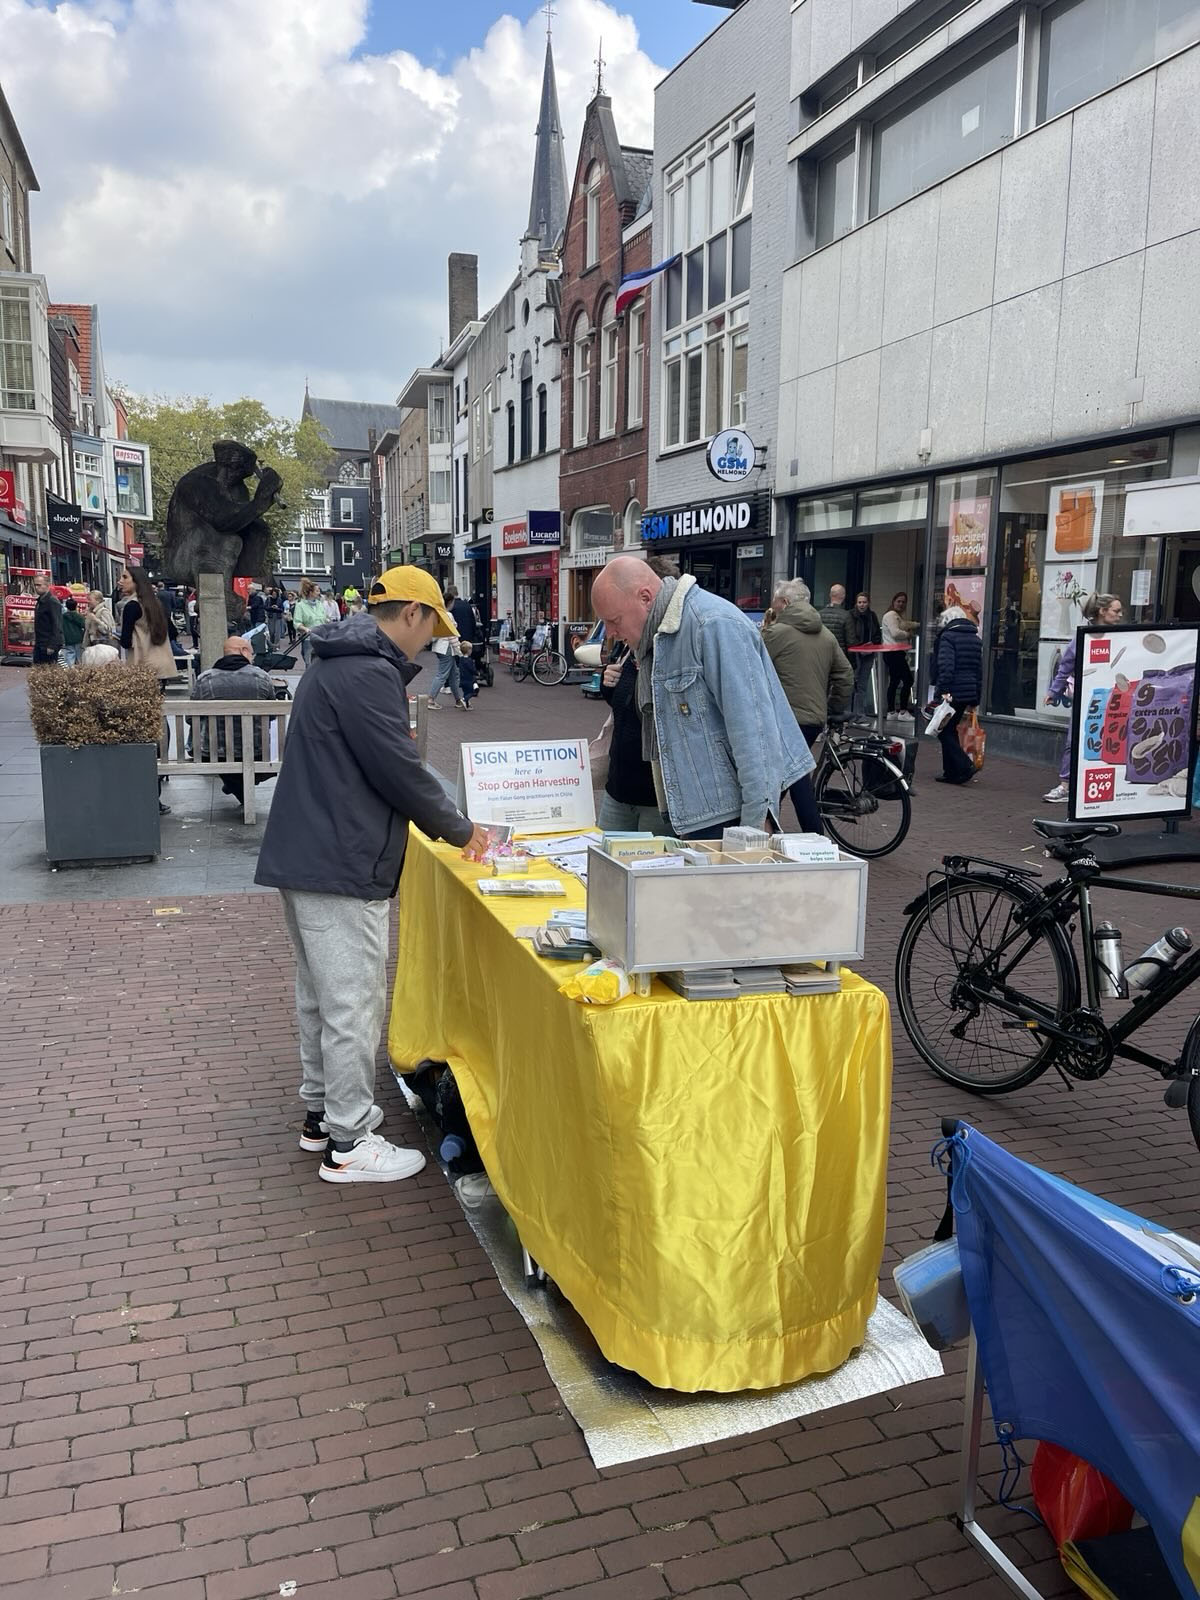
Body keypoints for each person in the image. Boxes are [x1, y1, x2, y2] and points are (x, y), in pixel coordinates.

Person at [254, 566, 489, 1185]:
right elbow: (399, 769)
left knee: (321, 996)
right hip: (342, 858)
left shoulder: (333, 661)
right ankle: (350, 1140)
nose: (430, 643)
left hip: (310, 852)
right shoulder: (368, 672)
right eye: (432, 629)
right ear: (412, 613)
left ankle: (322, 1114)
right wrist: (462, 830)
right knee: (352, 1003)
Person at [590, 555, 814, 839]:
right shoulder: (654, 638)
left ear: (645, 598)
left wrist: (755, 825)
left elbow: (755, 734)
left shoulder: (713, 624)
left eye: (614, 620)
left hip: (723, 816)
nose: (610, 633)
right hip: (691, 811)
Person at [762, 579, 853, 833]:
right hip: (813, 719)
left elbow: (749, 668)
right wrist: (832, 707)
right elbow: (845, 674)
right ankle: (766, 825)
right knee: (788, 776)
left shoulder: (775, 634)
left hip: (785, 719)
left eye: (775, 601)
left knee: (795, 779)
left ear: (785, 602)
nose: (773, 605)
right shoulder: (826, 635)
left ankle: (814, 837)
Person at [1043, 592, 1124, 803]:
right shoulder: (1082, 638)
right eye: (1116, 611)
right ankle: (1065, 785)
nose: (1120, 615)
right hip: (1088, 700)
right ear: (1102, 611)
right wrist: (1053, 692)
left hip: (1115, 699)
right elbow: (1065, 667)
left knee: (1110, 739)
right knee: (1076, 739)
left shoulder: (1122, 636)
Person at [120, 566, 179, 815]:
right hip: (161, 669)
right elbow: (173, 632)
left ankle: (148, 792)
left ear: (137, 581)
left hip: (142, 669)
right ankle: (160, 769)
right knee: (158, 720)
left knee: (144, 727)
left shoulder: (131, 607)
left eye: (125, 577)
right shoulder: (156, 605)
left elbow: (125, 640)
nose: (121, 581)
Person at [192, 635, 279, 805]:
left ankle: (235, 784)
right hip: (257, 751)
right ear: (243, 651)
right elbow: (272, 715)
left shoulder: (205, 679)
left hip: (214, 753)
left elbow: (191, 718)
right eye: (252, 653)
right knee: (255, 753)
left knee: (211, 742)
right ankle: (238, 785)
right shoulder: (261, 677)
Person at [597, 641, 669, 834]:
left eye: (617, 625)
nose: (614, 632)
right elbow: (622, 706)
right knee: (605, 851)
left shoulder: (668, 653)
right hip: (618, 789)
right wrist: (608, 683)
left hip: (656, 797)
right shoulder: (629, 652)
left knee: (651, 854)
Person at [932, 605, 983, 785]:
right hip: (968, 691)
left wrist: (941, 692)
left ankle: (964, 765)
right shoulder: (975, 639)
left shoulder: (948, 637)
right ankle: (951, 772)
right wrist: (976, 696)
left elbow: (946, 667)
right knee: (949, 729)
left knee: (943, 731)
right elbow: (978, 670)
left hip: (952, 691)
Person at [881, 591, 918, 715]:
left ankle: (891, 711)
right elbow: (895, 633)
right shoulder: (891, 615)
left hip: (892, 653)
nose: (901, 604)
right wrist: (908, 634)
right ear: (893, 602)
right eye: (899, 601)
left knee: (895, 681)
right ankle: (903, 711)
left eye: (903, 602)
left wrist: (918, 624)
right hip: (894, 653)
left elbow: (904, 624)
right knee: (908, 680)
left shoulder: (895, 616)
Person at [847, 591, 882, 714]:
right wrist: (860, 647)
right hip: (855, 654)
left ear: (868, 603)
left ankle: (859, 714)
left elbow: (877, 634)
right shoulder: (850, 615)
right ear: (856, 603)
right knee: (851, 684)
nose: (862, 605)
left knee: (862, 685)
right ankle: (848, 713)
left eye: (864, 602)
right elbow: (850, 635)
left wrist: (872, 643)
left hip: (869, 653)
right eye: (860, 602)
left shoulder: (872, 616)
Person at [427, 608, 466, 710]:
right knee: (443, 674)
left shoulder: (434, 614)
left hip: (439, 647)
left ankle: (458, 700)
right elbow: (452, 634)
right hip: (447, 648)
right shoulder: (447, 615)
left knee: (453, 674)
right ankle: (430, 699)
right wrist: (460, 651)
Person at [293, 578, 326, 666]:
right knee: (309, 663)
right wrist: (305, 629)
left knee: (322, 663)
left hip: (321, 638)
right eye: (317, 591)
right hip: (309, 638)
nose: (319, 593)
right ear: (311, 593)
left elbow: (324, 619)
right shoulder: (300, 605)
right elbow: (297, 622)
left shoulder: (320, 604)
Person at [32, 574, 63, 665]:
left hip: (47, 644)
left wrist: (52, 645)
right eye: (35, 585)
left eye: (39, 585)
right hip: (40, 643)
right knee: (38, 668)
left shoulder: (52, 601)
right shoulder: (40, 601)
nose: (36, 587)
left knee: (47, 669)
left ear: (47, 585)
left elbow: (57, 624)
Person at [818, 583, 849, 652]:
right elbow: (850, 641)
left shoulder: (819, 614)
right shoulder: (846, 615)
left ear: (830, 595)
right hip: (839, 653)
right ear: (843, 596)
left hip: (822, 652)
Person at [60, 597, 85, 665]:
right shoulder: (79, 616)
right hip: (79, 638)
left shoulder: (62, 617)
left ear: (66, 607)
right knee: (79, 656)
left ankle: (70, 668)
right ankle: (80, 668)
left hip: (67, 639)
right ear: (76, 606)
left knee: (70, 654)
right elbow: (84, 625)